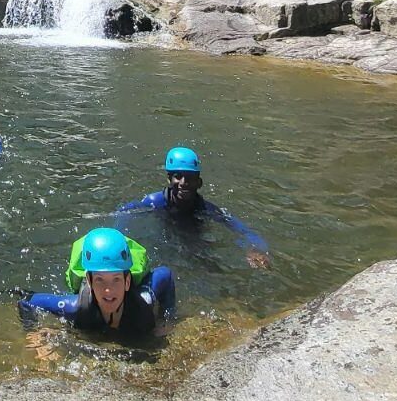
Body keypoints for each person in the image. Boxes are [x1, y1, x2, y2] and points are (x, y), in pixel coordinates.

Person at [118, 146, 270, 269]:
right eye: (178, 176)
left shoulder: (207, 209)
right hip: (165, 235)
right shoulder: (154, 202)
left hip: (194, 233)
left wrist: (253, 248)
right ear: (169, 179)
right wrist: (121, 242)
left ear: (199, 183)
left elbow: (242, 229)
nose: (184, 182)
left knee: (209, 266)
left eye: (190, 177)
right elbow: (124, 213)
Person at [19, 228, 174, 343]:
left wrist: (166, 320)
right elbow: (27, 302)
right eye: (100, 280)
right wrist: (35, 335)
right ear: (89, 280)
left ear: (127, 281)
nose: (108, 290)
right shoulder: (74, 306)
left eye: (116, 280)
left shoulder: (144, 301)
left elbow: (165, 275)